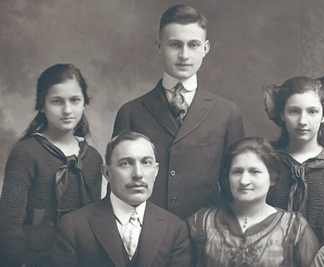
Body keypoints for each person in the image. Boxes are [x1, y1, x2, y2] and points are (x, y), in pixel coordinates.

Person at [112, 4, 244, 219]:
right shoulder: (131, 112)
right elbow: (117, 185)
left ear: (206, 48)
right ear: (159, 46)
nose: (184, 55)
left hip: (206, 231)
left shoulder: (227, 113)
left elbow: (234, 185)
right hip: (147, 231)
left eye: (193, 45)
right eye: (175, 45)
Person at [0, 63, 103, 266]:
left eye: (75, 100)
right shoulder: (26, 153)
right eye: (57, 101)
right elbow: (9, 221)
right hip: (35, 260)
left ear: (84, 103)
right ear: (42, 105)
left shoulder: (93, 158)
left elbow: (95, 219)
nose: (67, 110)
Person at [52, 130, 191, 267]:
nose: (138, 174)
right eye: (126, 163)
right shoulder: (74, 226)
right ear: (107, 173)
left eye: (146, 163)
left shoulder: (175, 229)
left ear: (156, 171)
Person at [187, 137, 320, 267]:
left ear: (272, 178)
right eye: (237, 172)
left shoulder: (294, 229)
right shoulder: (201, 223)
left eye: (254, 172)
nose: (244, 181)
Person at [263, 73, 324, 242]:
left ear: (323, 116)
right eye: (294, 111)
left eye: (312, 112)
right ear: (282, 114)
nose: (302, 121)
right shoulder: (266, 162)